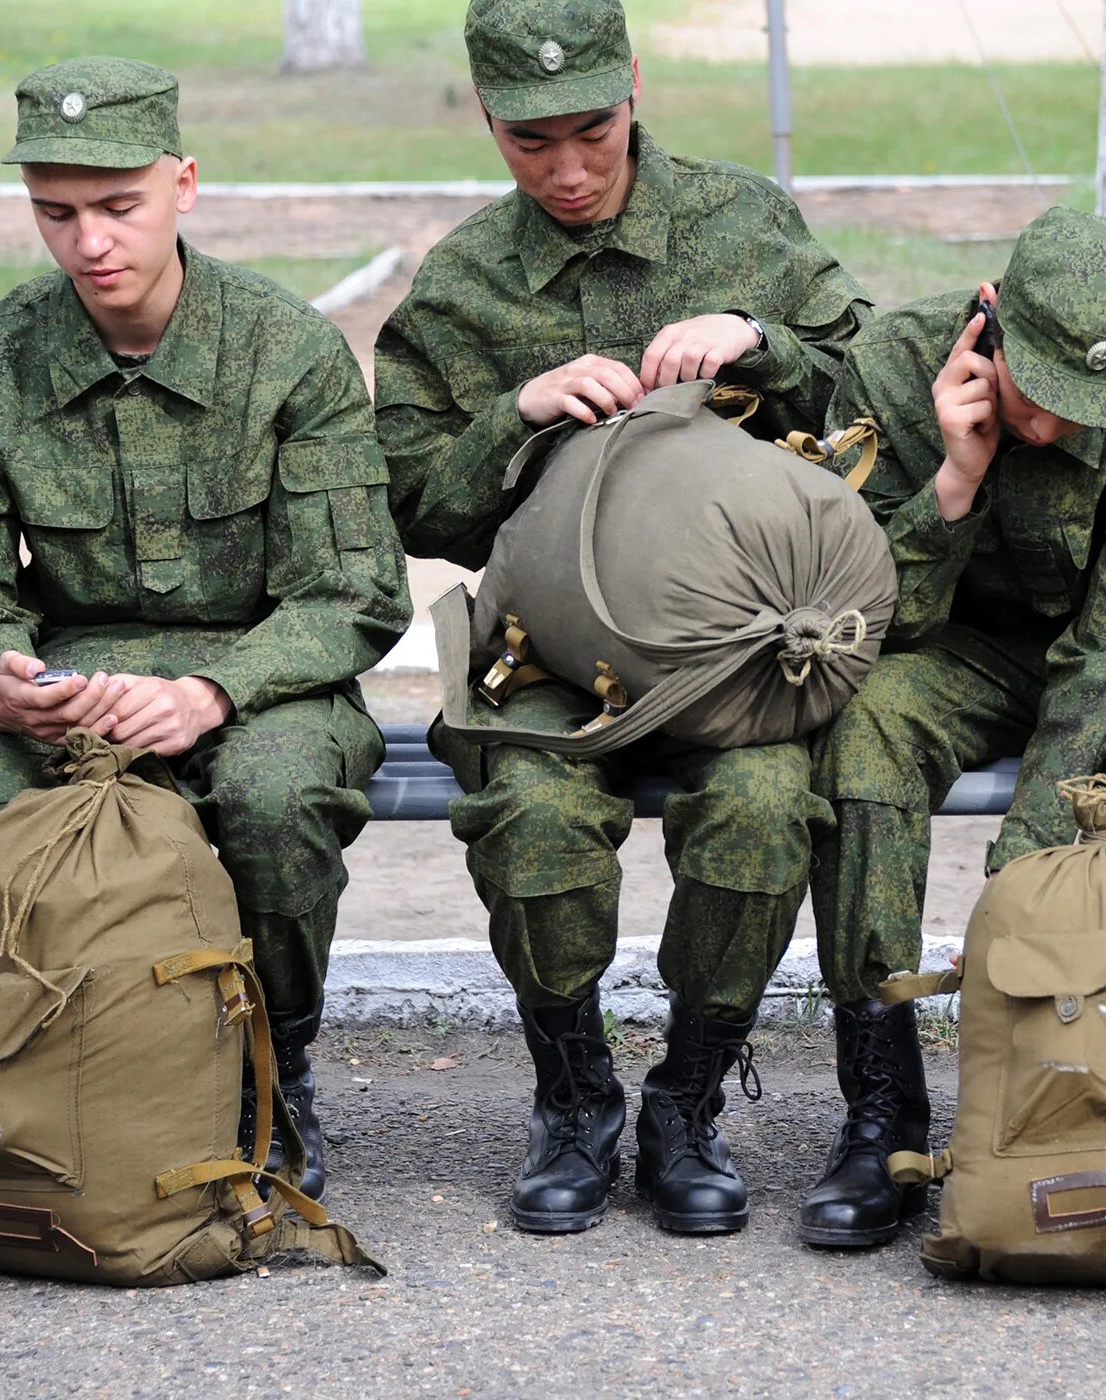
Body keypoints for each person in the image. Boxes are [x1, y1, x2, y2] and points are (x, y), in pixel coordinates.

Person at [374, 0, 871, 1236]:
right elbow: (406, 497)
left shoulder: (740, 220)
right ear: (488, 121)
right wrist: (517, 411)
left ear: (634, 85)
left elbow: (874, 381)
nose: (569, 167)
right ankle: (576, 1097)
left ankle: (685, 1103)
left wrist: (758, 340)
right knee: (534, 819)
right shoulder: (465, 282)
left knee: (761, 811)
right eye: (529, 141)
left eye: (592, 129)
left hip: (731, 651)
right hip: (540, 652)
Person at [0, 58, 412, 1200]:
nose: (90, 243)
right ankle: (28, 1070)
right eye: (57, 212)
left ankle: (270, 1065)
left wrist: (210, 694)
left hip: (264, 669)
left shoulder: (286, 351)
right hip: (68, 676)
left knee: (274, 802)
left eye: (119, 206)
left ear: (183, 183)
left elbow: (353, 592)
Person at [799, 206, 1106, 1248]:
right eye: (1040, 394)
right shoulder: (890, 373)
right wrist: (953, 481)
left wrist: (1027, 849)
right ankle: (882, 1110)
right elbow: (861, 621)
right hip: (961, 642)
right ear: (990, 322)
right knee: (861, 733)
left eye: (1091, 405)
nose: (1054, 427)